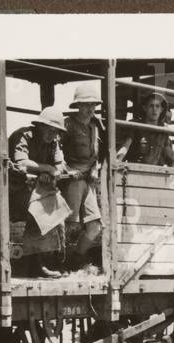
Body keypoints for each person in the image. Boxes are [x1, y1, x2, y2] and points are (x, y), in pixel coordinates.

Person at [8, 106, 69, 278]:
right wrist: (48, 168)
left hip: (35, 190)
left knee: (55, 208)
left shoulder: (54, 141)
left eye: (56, 131)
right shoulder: (24, 135)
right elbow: (21, 163)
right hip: (13, 191)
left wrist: (52, 172)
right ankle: (34, 265)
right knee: (42, 208)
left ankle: (41, 263)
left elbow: (60, 165)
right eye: (50, 130)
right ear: (40, 126)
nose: (53, 135)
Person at [61, 82, 104, 270]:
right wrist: (66, 171)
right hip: (72, 180)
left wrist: (96, 168)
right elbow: (55, 152)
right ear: (77, 105)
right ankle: (58, 261)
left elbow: (101, 155)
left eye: (93, 105)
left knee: (95, 226)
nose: (90, 109)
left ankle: (76, 259)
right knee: (71, 225)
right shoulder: (67, 124)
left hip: (89, 180)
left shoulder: (96, 126)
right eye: (86, 105)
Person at [116, 92, 174, 168]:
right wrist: (117, 160)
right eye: (151, 106)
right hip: (137, 169)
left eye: (157, 106)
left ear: (161, 109)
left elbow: (170, 152)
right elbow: (126, 145)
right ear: (145, 108)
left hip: (155, 171)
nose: (154, 109)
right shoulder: (136, 125)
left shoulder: (162, 130)